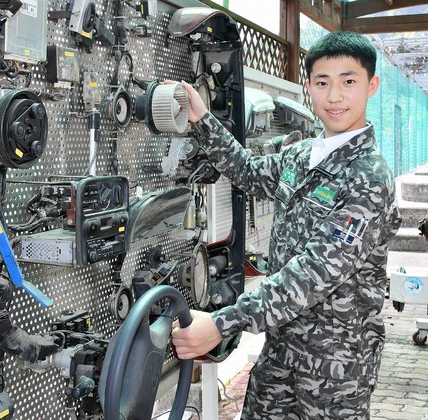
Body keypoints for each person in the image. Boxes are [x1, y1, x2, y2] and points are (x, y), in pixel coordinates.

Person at [171, 31, 402, 419]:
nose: (335, 96)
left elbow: (314, 271)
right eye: (323, 82)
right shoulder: (299, 155)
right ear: (308, 86)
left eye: (349, 82)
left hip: (335, 364)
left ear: (371, 86)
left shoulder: (369, 178)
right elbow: (246, 171)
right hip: (282, 346)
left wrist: (223, 323)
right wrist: (201, 118)